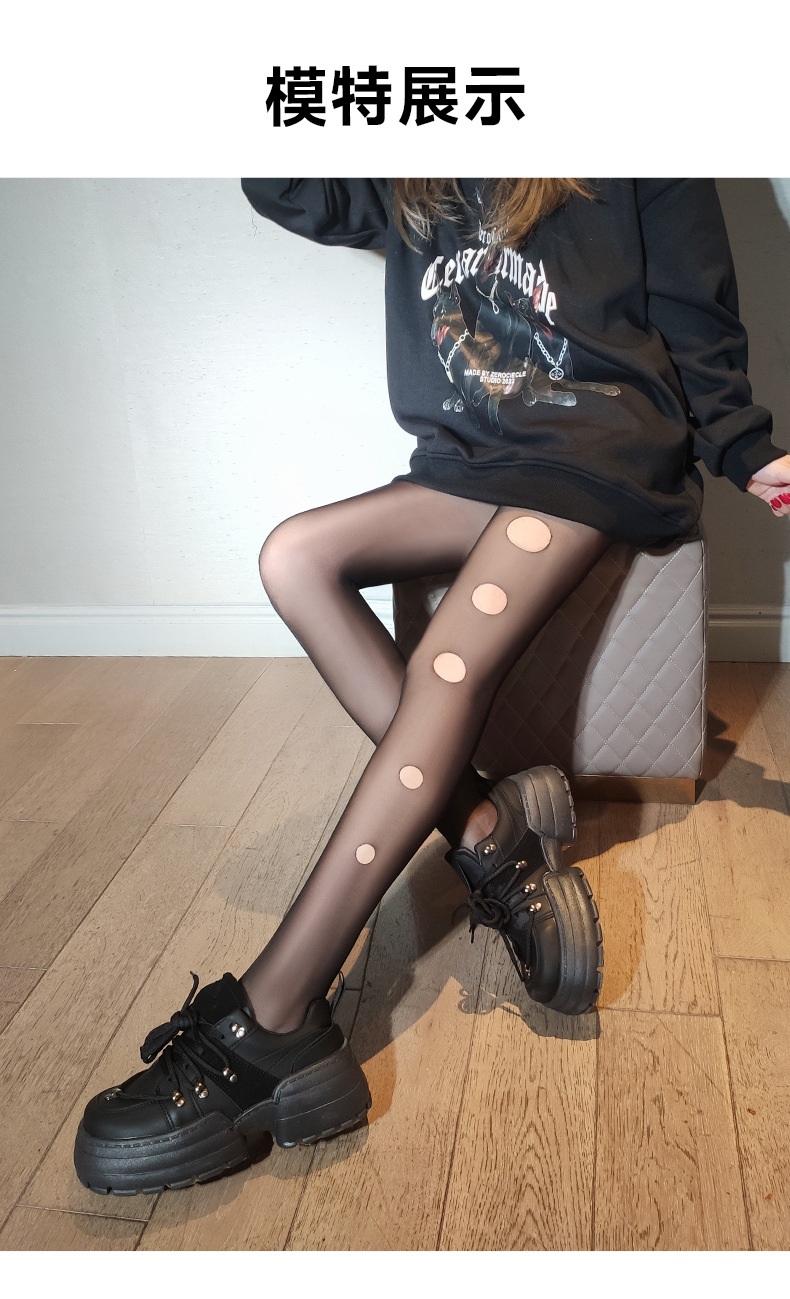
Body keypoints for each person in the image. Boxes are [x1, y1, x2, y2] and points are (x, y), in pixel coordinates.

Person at [73, 178, 790, 1196]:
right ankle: (488, 829)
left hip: (595, 453)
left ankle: (278, 1013)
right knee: (293, 556)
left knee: (450, 660)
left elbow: (694, 309)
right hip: (469, 458)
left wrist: (747, 448)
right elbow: (293, 191)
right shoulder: (420, 143)